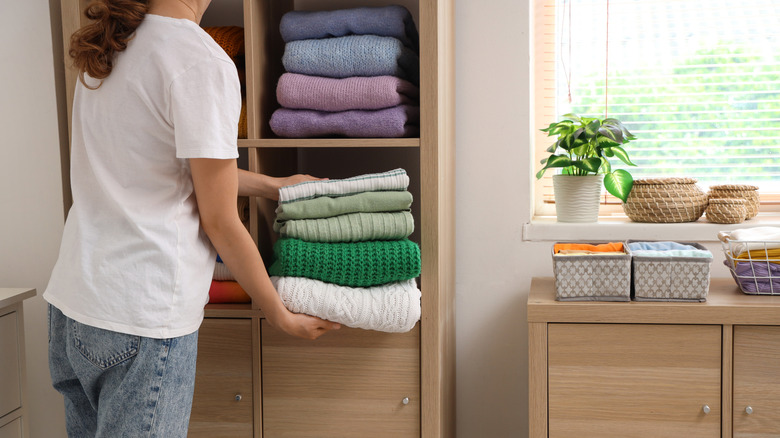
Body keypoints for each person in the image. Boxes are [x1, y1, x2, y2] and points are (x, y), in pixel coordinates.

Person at [44, 0, 341, 436]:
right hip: (141, 318)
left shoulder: (109, 45)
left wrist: (272, 184)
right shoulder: (199, 60)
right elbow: (219, 220)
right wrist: (277, 311)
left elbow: (165, 169)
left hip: (75, 307)